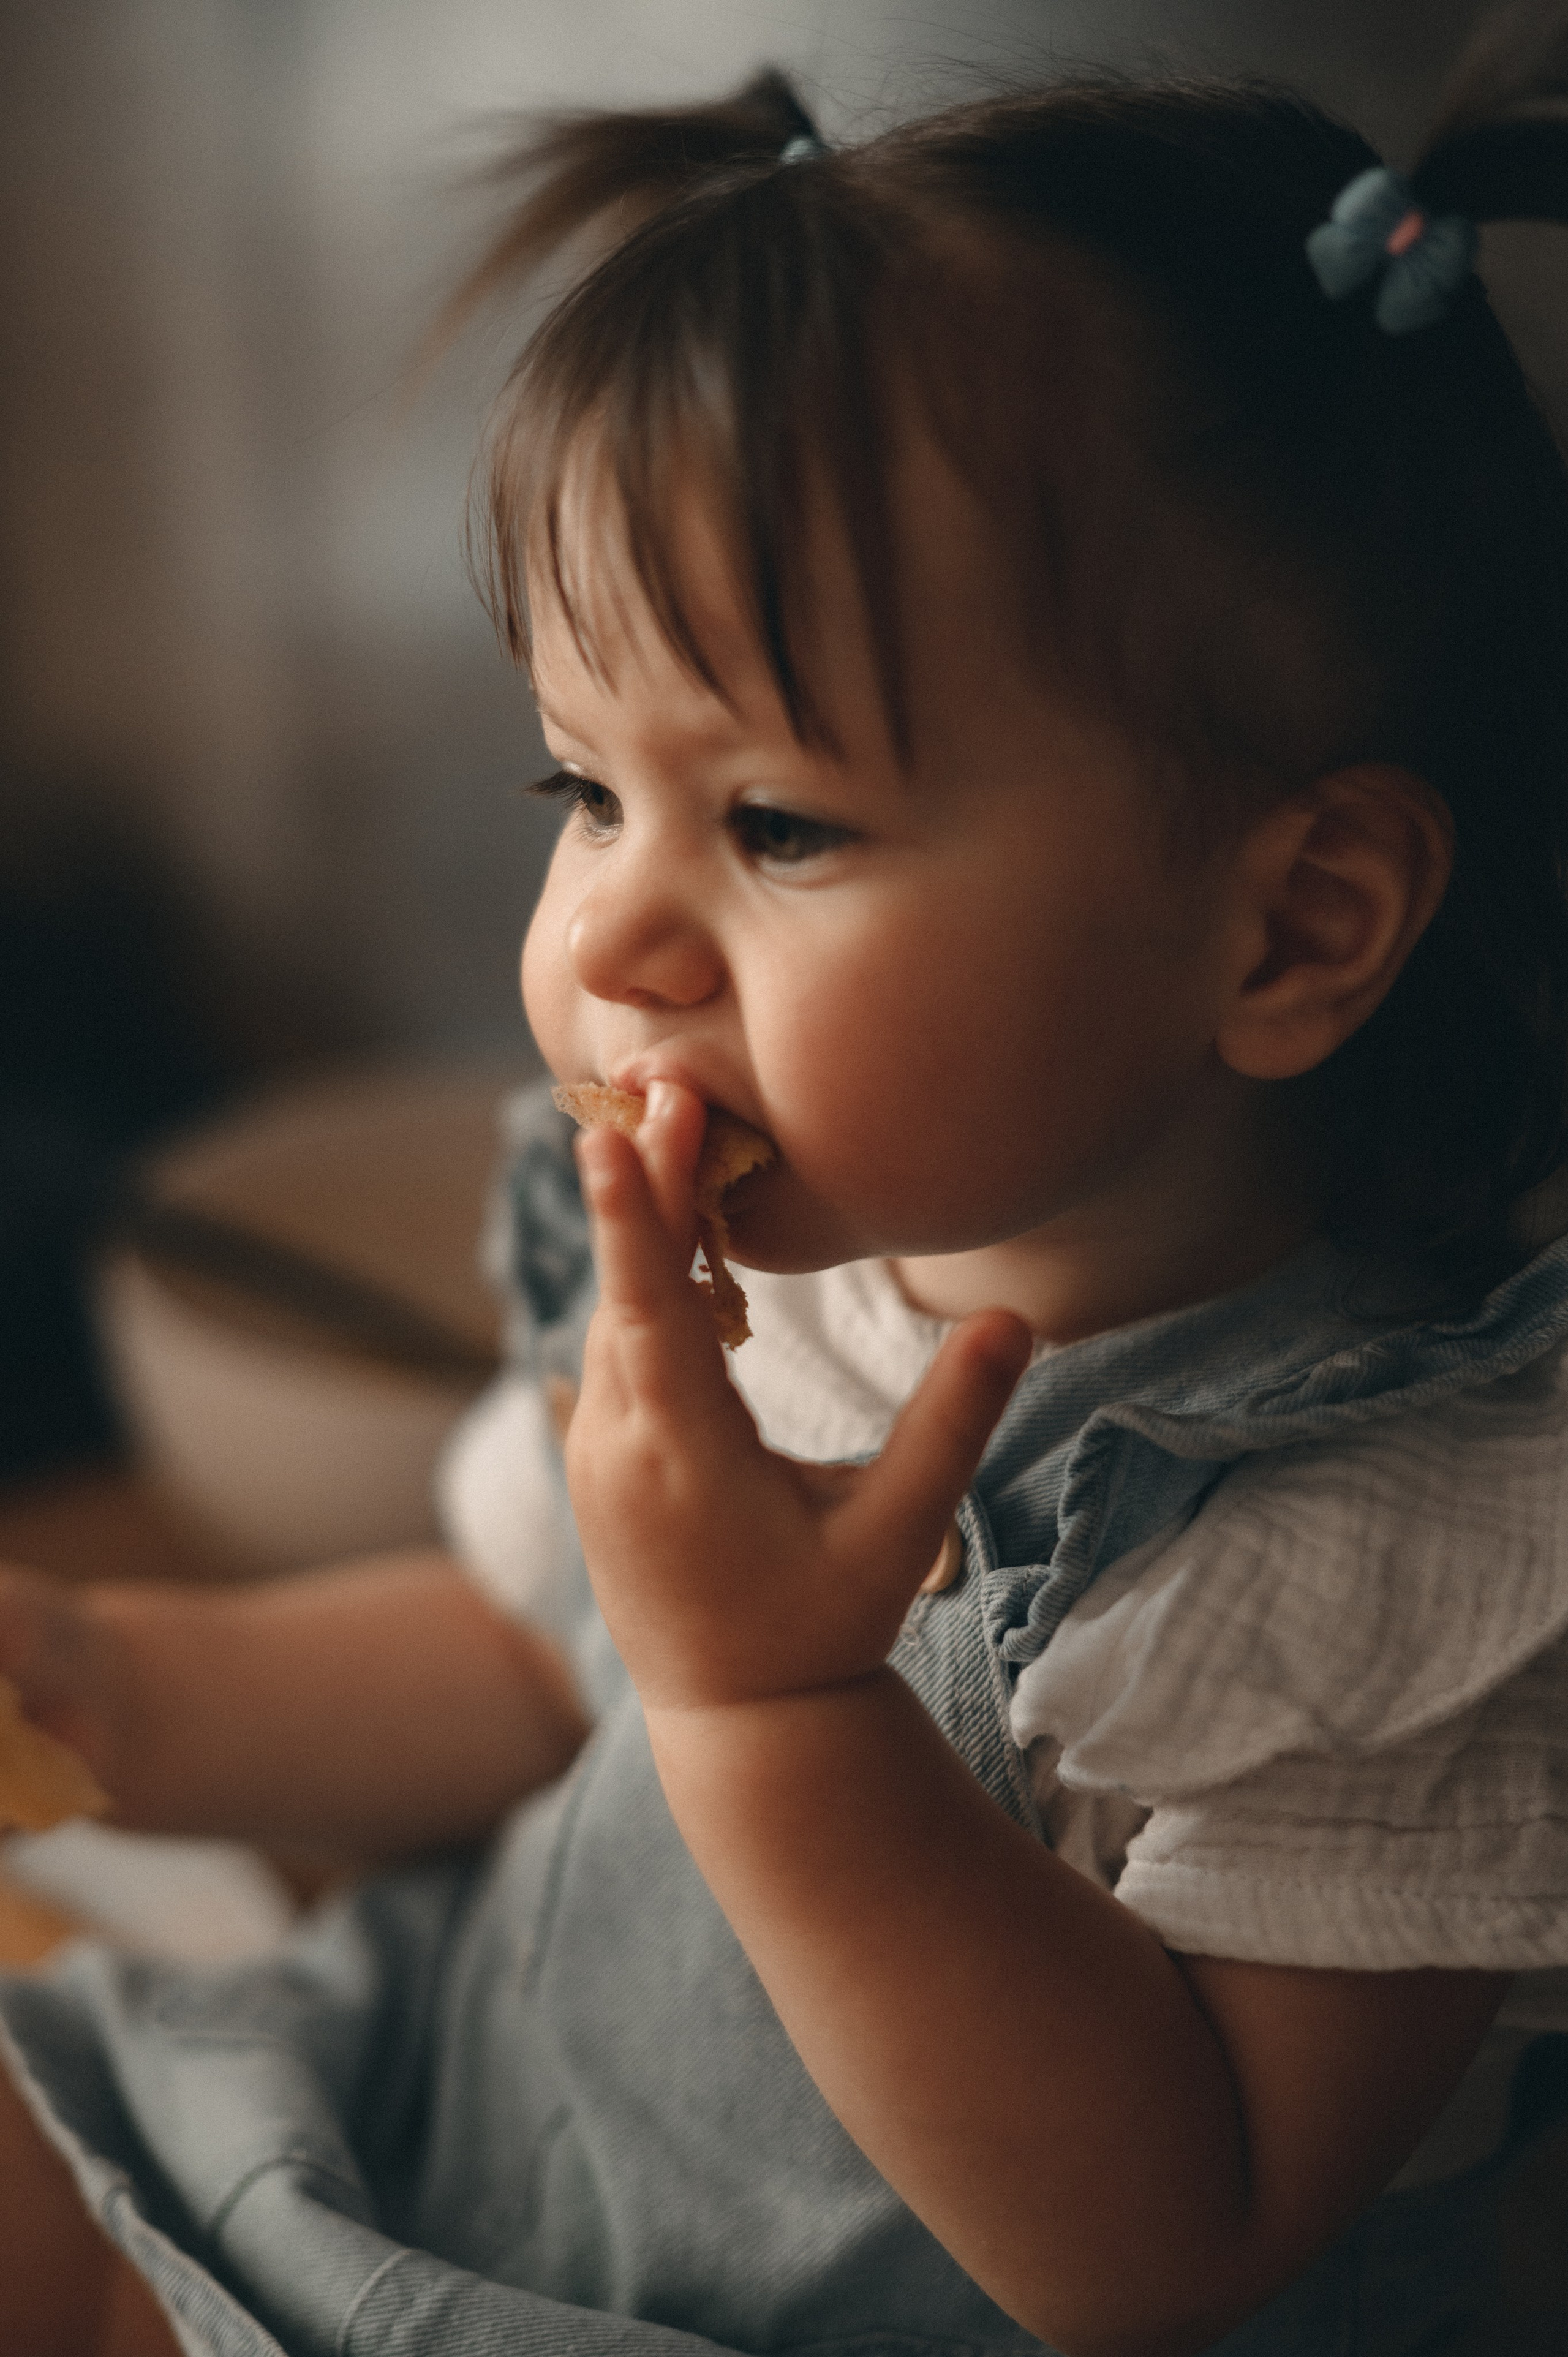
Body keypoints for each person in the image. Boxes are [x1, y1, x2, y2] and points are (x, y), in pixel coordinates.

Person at [6, 11, 1568, 2351]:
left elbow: (1170, 2245)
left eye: (776, 824)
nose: (611, 943)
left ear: (1291, 930)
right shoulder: (769, 1293)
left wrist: (768, 1698)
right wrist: (103, 1684)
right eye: (585, 793)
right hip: (462, 2141)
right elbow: (526, 1666)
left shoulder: (1398, 1553)